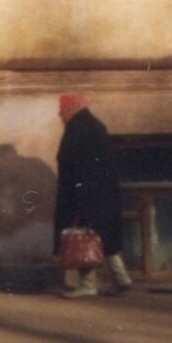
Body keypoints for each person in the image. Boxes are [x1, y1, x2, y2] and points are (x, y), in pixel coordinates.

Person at [53, 93, 131, 297]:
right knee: (102, 235)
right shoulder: (95, 125)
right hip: (102, 193)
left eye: (62, 111)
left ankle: (88, 285)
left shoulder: (77, 129)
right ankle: (121, 277)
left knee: (84, 237)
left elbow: (80, 168)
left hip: (83, 194)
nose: (60, 115)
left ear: (71, 108)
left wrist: (79, 197)